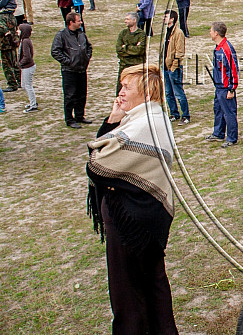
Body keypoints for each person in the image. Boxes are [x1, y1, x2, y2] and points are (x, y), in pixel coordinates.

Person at [86, 63, 179, 334]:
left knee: (127, 291)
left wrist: (113, 123)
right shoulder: (150, 118)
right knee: (152, 283)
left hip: (129, 224)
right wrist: (115, 117)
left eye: (127, 87)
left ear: (147, 94)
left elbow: (95, 164)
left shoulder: (140, 127)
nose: (121, 92)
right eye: (121, 85)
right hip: (144, 219)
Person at [51, 12, 92, 128]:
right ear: (71, 22)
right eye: (78, 21)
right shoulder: (61, 35)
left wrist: (86, 58)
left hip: (82, 69)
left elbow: (89, 47)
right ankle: (69, 119)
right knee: (70, 95)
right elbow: (55, 51)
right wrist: (68, 61)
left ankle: (80, 116)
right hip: (69, 71)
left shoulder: (82, 34)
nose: (81, 22)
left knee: (82, 94)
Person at [205, 21, 238, 147]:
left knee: (229, 112)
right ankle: (218, 133)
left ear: (216, 33)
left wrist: (232, 88)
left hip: (225, 87)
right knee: (218, 110)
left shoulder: (226, 49)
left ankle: (231, 138)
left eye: (211, 30)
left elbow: (233, 69)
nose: (210, 33)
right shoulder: (218, 48)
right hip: (219, 86)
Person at [163, 10, 190, 124]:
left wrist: (174, 67)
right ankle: (174, 113)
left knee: (178, 93)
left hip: (174, 68)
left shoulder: (178, 33)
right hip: (165, 67)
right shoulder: (165, 32)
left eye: (166, 16)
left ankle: (186, 115)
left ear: (172, 19)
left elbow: (180, 52)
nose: (164, 18)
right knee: (168, 93)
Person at [115, 12, 146, 94]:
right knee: (121, 91)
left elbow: (140, 50)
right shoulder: (123, 33)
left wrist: (125, 47)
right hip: (124, 66)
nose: (125, 21)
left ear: (134, 20)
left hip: (137, 67)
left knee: (136, 91)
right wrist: (133, 48)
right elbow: (118, 49)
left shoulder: (141, 34)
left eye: (127, 19)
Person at [0, 0, 20, 92]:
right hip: (13, 41)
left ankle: (12, 84)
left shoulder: (2, 16)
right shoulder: (12, 15)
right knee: (15, 61)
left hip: (4, 43)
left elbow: (2, 29)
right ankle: (19, 80)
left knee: (7, 64)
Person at [18, 23, 37, 112]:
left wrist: (20, 63)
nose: (17, 32)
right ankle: (32, 101)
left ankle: (33, 105)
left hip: (27, 67)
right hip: (26, 66)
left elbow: (27, 56)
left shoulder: (25, 41)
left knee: (28, 86)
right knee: (24, 85)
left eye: (19, 30)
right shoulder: (23, 40)